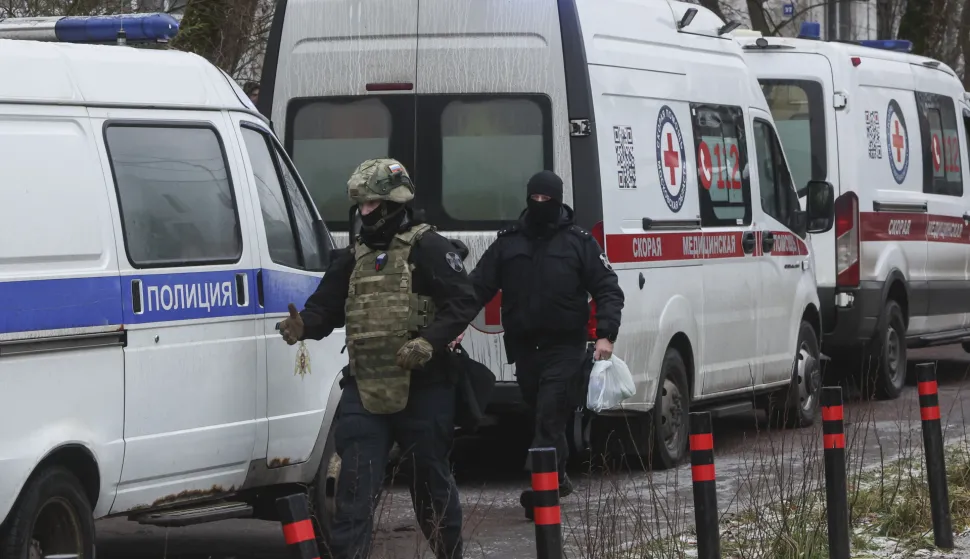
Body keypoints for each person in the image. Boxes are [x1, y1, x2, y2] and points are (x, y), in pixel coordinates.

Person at [277, 158, 476, 559]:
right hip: (366, 389)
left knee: (430, 487)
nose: (363, 213)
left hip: (424, 389)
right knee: (352, 489)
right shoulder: (353, 258)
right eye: (360, 206)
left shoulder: (430, 249)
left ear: (391, 205)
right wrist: (303, 326)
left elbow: (463, 301)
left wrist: (429, 342)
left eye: (370, 205)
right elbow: (325, 307)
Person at [466, 170, 624, 517]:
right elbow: (477, 287)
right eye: (534, 199)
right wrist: (454, 325)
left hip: (565, 347)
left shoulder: (579, 242)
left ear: (558, 201)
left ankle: (543, 493)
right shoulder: (508, 243)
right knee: (540, 413)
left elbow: (608, 289)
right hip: (525, 348)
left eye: (546, 200)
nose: (539, 205)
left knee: (550, 414)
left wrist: (605, 335)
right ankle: (559, 476)